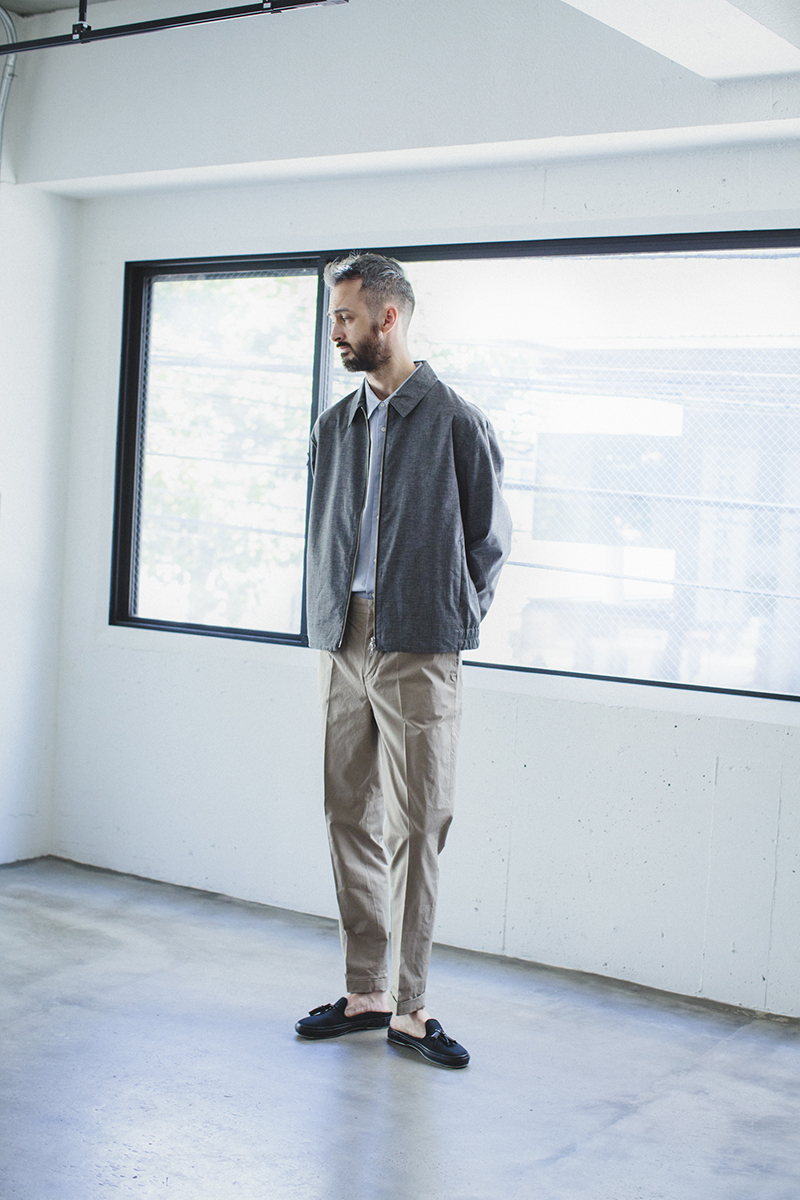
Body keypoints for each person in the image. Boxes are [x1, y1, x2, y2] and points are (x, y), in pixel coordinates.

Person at [295, 253, 511, 1068]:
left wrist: (448, 615)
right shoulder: (334, 426)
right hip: (340, 637)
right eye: (333, 317)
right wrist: (330, 615)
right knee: (347, 812)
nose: (335, 331)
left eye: (346, 316)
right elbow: (321, 528)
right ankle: (366, 992)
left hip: (420, 639)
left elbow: (488, 541)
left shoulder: (455, 419)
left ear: (388, 318)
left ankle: (412, 1009)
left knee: (419, 825)